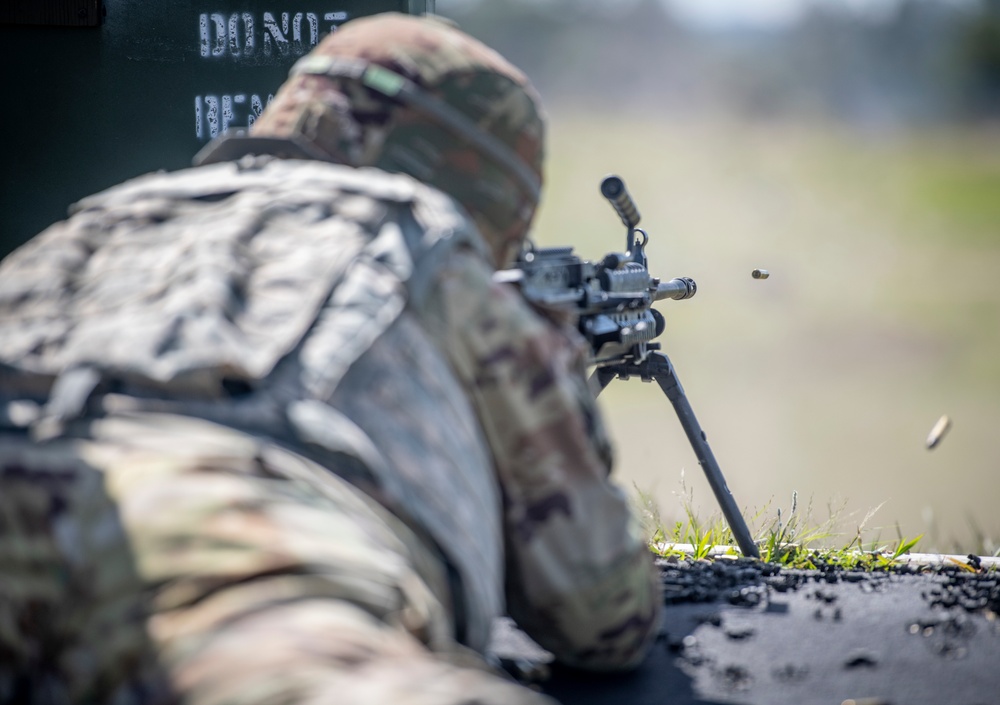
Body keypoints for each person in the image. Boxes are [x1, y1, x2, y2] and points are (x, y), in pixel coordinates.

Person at [0, 13, 661, 705]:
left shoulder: (102, 216)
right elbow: (604, 613)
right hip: (224, 553)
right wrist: (554, 379)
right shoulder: (421, 242)